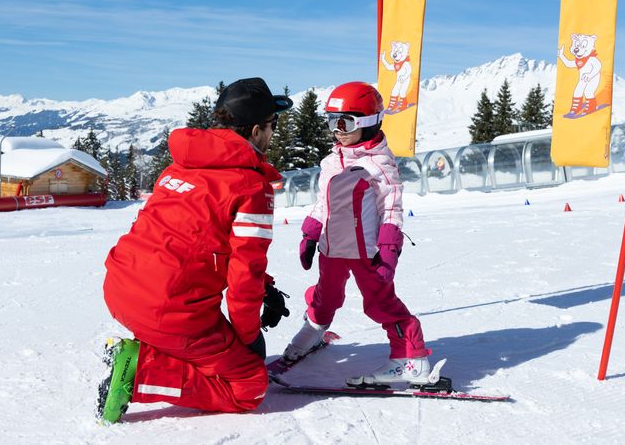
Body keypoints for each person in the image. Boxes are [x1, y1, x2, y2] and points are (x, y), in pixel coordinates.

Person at [97, 78, 293, 423]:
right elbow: (243, 273)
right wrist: (248, 338)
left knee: (206, 351)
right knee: (249, 386)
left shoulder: (179, 166)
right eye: (272, 126)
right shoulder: (251, 187)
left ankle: (154, 353)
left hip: (121, 290)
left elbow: (186, 237)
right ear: (256, 130)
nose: (273, 134)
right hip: (169, 309)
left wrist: (266, 288)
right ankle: (140, 372)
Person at [283, 81, 435, 386]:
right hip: (331, 248)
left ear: (368, 122)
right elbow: (322, 204)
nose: (337, 130)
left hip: (366, 250)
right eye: (331, 122)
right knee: (326, 296)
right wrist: (311, 233)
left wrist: (389, 248)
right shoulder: (332, 160)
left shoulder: (378, 164)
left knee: (379, 302)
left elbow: (391, 208)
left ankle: (411, 358)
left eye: (345, 122)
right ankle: (314, 332)